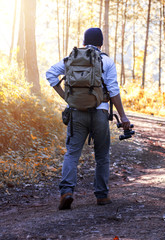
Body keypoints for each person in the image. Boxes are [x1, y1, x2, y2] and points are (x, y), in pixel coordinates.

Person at [46, 28, 130, 210]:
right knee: (102, 155)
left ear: (84, 42)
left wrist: (66, 97)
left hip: (76, 112)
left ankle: (67, 192)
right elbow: (114, 91)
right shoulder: (106, 60)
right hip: (100, 113)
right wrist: (123, 116)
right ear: (101, 43)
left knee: (72, 153)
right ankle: (101, 195)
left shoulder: (72, 58)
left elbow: (50, 74)